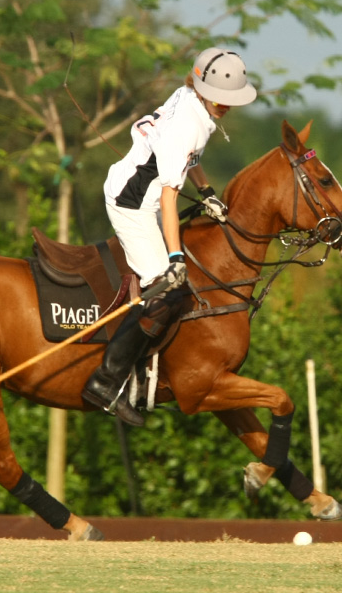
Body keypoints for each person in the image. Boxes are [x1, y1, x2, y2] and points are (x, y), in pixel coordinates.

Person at [81, 48, 258, 426]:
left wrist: (207, 192)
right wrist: (175, 260)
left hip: (145, 193)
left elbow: (190, 158)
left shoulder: (191, 100)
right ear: (203, 89)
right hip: (133, 205)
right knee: (166, 290)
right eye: (221, 99)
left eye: (230, 100)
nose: (226, 106)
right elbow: (167, 198)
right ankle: (106, 382)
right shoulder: (186, 125)